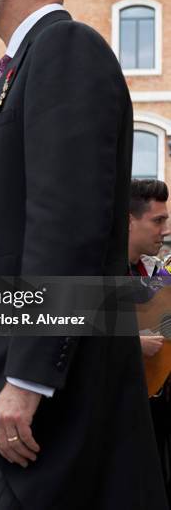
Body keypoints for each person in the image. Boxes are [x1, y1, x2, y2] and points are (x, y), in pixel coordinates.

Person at [0, 0, 169, 510]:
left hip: (49, 394)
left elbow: (65, 228)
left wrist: (25, 382)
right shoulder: (24, 64)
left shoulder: (64, 48)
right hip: (21, 389)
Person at [128, 178, 171, 504]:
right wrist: (131, 343)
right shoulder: (95, 274)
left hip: (158, 414)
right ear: (129, 220)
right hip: (118, 417)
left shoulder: (156, 272)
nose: (165, 229)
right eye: (157, 220)